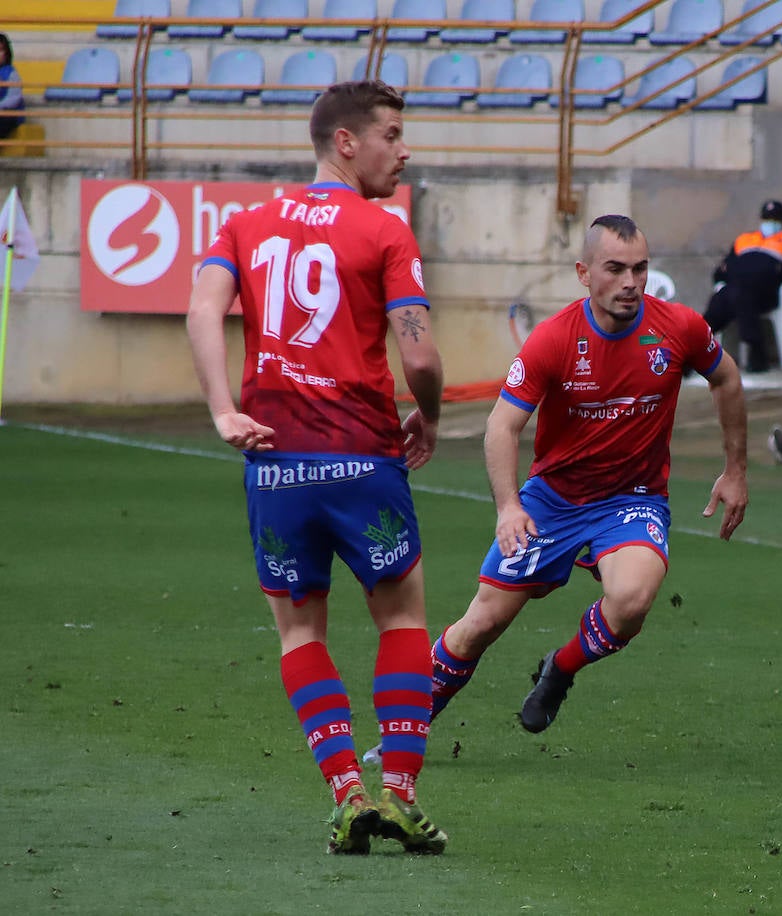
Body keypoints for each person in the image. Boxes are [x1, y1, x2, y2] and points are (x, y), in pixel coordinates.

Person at [185, 81, 448, 856]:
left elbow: (203, 311)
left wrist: (223, 411)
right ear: (345, 142)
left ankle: (346, 795)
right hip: (362, 457)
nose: (404, 151)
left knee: (300, 633)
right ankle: (398, 793)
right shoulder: (385, 230)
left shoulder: (244, 223)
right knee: (401, 619)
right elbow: (421, 352)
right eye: (392, 134)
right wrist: (427, 414)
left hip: (273, 460)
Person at [397, 214, 748, 749]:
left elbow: (725, 376)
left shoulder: (678, 328)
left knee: (630, 600)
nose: (631, 282)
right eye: (615, 269)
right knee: (481, 624)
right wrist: (509, 507)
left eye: (640, 269)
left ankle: (559, 669)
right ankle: (404, 734)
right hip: (553, 500)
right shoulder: (554, 339)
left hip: (634, 499)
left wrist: (735, 469)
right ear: (585, 273)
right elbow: (501, 425)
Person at [704, 199, 782, 372]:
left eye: (775, 219)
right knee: (730, 295)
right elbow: (720, 272)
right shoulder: (744, 240)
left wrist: (780, 271)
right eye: (767, 218)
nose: (770, 223)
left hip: (767, 293)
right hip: (738, 289)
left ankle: (701, 346)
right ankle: (701, 343)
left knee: (738, 295)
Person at [0, 33, 25, 141]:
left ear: (6, 53)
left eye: (1, 50)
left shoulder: (11, 73)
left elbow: (14, 98)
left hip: (8, 115)